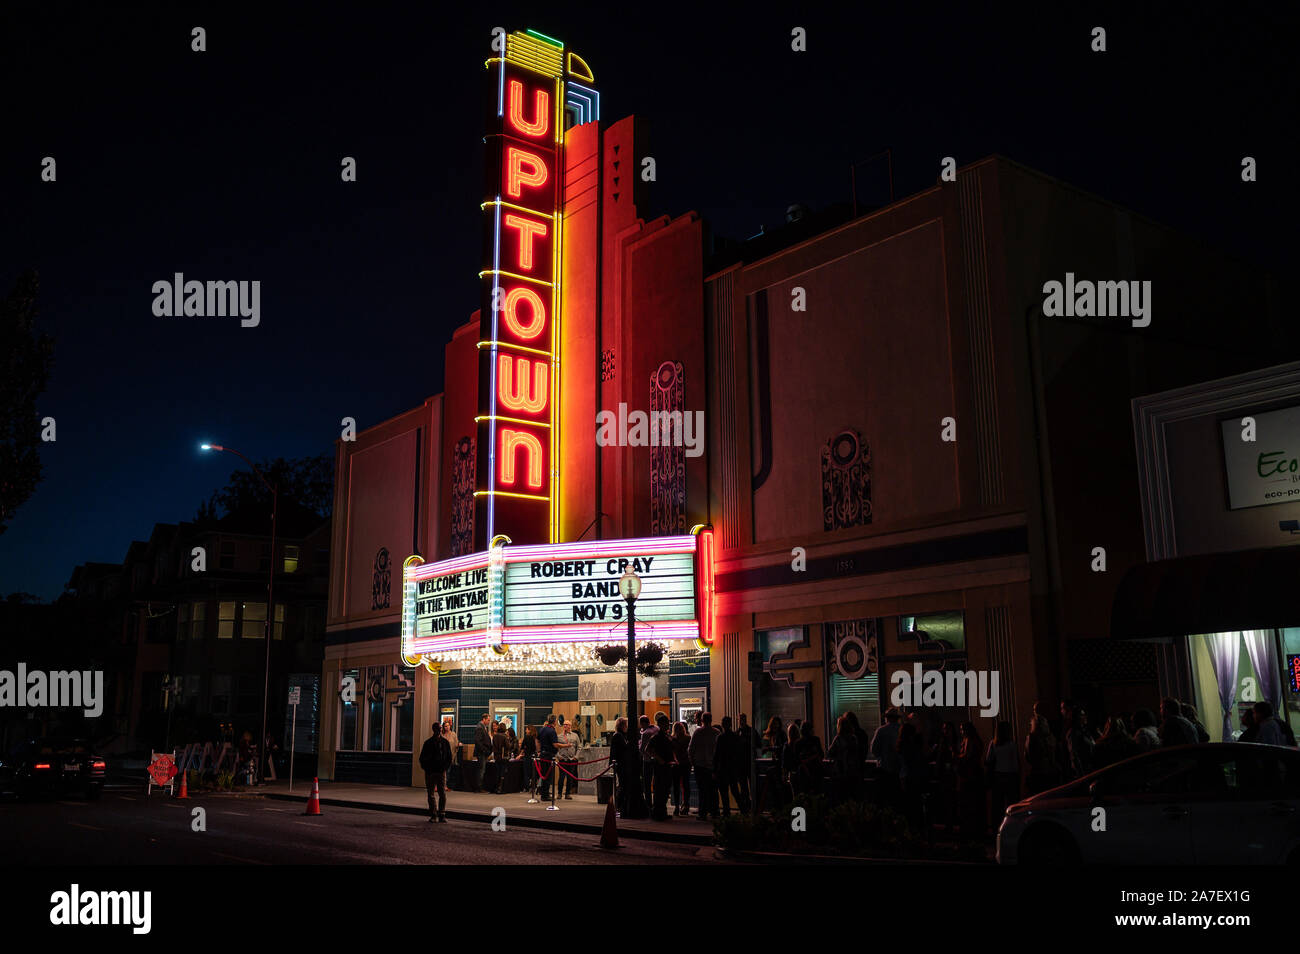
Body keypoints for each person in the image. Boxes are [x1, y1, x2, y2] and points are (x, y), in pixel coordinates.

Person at [984, 721, 1020, 830]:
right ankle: (1011, 827)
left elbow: (988, 759)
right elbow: (1015, 764)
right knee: (1011, 804)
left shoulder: (993, 743)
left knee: (997, 805)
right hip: (1010, 776)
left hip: (997, 776)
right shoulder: (1012, 744)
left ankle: (997, 828)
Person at [955, 721, 986, 840]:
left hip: (970, 776)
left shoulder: (970, 740)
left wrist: (956, 756)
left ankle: (970, 831)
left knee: (969, 803)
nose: (961, 732)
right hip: (973, 774)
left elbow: (967, 756)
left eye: (963, 729)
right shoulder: (974, 740)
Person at [715, 716, 750, 815]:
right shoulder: (736, 737)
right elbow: (739, 753)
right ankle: (743, 810)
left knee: (724, 792)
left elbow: (717, 754)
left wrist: (715, 768)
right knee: (735, 791)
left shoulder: (720, 737)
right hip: (732, 768)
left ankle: (727, 811)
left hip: (723, 768)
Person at [687, 711, 718, 819]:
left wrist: (693, 762)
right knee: (713, 790)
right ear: (711, 719)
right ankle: (714, 812)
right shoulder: (716, 732)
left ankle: (703, 812)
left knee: (702, 790)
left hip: (699, 766)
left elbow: (690, 749)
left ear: (702, 720)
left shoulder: (698, 732)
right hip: (712, 766)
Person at [419, 722, 453, 823]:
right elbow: (422, 758)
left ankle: (441, 814)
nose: (439, 730)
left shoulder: (444, 742)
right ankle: (434, 814)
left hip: (439, 771)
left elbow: (449, 757)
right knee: (432, 793)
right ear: (434, 730)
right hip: (432, 771)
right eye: (438, 728)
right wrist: (428, 769)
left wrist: (444, 768)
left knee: (441, 793)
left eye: (440, 728)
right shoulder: (429, 743)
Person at [827, 713, 863, 803]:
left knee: (841, 795)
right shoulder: (853, 738)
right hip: (853, 769)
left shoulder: (838, 738)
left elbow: (829, 752)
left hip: (840, 770)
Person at [870, 708, 902, 807]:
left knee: (885, 800)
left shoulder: (881, 730)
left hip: (884, 769)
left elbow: (874, 750)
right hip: (900, 770)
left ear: (887, 718)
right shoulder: (902, 729)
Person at [648, 713, 675, 821]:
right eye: (666, 724)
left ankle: (662, 811)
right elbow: (648, 749)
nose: (668, 725)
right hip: (660, 767)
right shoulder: (656, 737)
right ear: (660, 724)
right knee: (660, 789)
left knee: (665, 790)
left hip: (667, 765)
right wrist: (659, 759)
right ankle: (658, 812)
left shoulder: (667, 736)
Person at [932, 721, 960, 827]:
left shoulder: (954, 742)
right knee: (947, 799)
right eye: (944, 729)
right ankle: (949, 822)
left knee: (952, 798)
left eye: (947, 729)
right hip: (945, 774)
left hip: (953, 773)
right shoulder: (942, 742)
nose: (945, 731)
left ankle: (952, 822)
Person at [1023, 715, 1059, 794]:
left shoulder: (1033, 737)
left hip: (1040, 772)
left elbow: (1028, 756)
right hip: (1047, 771)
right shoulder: (1050, 737)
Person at [759, 716, 787, 813]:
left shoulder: (781, 734)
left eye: (777, 723)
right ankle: (777, 807)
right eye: (774, 723)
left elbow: (782, 747)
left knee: (777, 785)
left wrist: (769, 749)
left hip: (781, 763)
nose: (775, 725)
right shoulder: (773, 735)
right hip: (777, 762)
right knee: (775, 785)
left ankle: (779, 807)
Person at [795, 719, 825, 797]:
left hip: (804, 772)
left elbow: (796, 759)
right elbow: (821, 754)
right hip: (816, 770)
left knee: (805, 795)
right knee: (817, 794)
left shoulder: (798, 743)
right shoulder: (816, 740)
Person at [1065, 707, 1095, 778]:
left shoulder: (1084, 731)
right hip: (1084, 772)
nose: (1085, 716)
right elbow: (1074, 755)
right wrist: (1082, 775)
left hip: (1091, 768)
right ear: (1076, 718)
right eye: (1082, 714)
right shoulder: (1073, 733)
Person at [670, 721, 692, 816]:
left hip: (676, 764)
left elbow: (671, 752)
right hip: (686, 763)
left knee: (676, 786)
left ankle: (677, 807)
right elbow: (690, 751)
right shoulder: (688, 738)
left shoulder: (672, 739)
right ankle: (685, 805)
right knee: (685, 785)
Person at [609, 717, 630, 814]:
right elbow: (619, 749)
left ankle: (620, 804)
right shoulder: (618, 736)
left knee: (623, 783)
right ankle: (619, 805)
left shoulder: (620, 735)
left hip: (621, 763)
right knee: (623, 784)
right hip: (621, 763)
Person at [537, 715, 559, 802]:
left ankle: (544, 793)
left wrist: (539, 751)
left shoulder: (542, 729)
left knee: (543, 775)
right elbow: (555, 745)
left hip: (542, 754)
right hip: (549, 755)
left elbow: (537, 740)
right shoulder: (552, 731)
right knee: (548, 776)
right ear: (554, 722)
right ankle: (545, 795)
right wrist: (566, 745)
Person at [557, 720, 580, 799]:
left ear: (570, 726)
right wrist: (558, 756)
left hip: (572, 759)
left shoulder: (575, 736)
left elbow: (579, 747)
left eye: (567, 724)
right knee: (561, 777)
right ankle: (559, 793)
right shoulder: (559, 736)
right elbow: (555, 747)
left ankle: (567, 794)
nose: (565, 726)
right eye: (564, 724)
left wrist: (576, 757)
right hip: (563, 760)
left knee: (570, 778)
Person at [638, 715, 657, 808]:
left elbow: (642, 749)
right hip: (657, 760)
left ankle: (649, 803)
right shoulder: (656, 729)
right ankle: (656, 802)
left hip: (647, 760)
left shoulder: (646, 733)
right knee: (656, 781)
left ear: (642, 723)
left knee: (647, 782)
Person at [473, 713, 493, 793]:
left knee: (482, 770)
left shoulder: (483, 727)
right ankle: (479, 787)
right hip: (481, 753)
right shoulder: (480, 728)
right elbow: (478, 741)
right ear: (483, 719)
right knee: (481, 770)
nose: (489, 722)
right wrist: (484, 750)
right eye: (488, 720)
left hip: (483, 752)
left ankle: (479, 787)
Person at [491, 720, 512, 794]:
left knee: (497, 772)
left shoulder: (495, 736)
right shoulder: (504, 736)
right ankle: (501, 788)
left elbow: (493, 745)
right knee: (502, 773)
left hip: (496, 756)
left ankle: (496, 788)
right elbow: (508, 746)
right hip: (503, 756)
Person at [519, 724, 538, 798]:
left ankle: (527, 787)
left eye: (526, 729)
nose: (525, 730)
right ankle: (533, 786)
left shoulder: (527, 737)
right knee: (533, 772)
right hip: (534, 756)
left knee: (526, 772)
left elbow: (522, 747)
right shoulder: (535, 738)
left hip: (527, 756)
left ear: (529, 730)